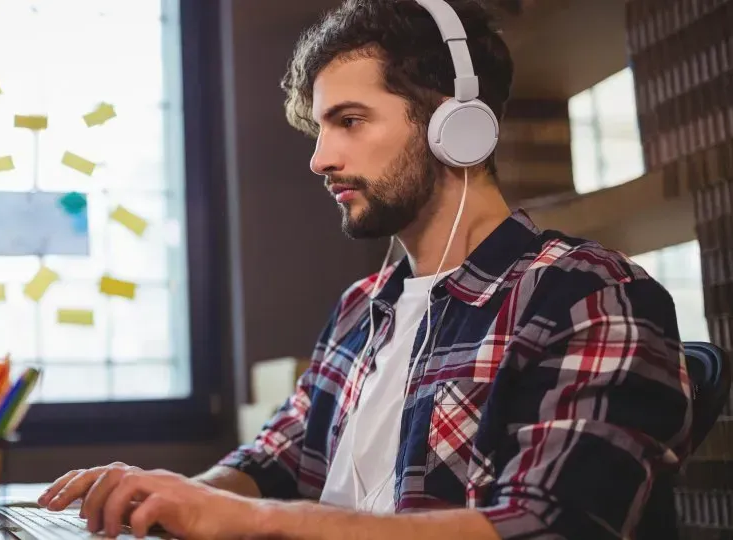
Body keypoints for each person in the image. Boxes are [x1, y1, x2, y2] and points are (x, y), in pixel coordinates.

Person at [38, 0, 694, 538]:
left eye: (349, 121)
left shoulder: (587, 292)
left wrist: (252, 521)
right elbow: (275, 460)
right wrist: (167, 499)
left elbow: (547, 525)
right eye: (320, 131)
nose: (320, 159)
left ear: (455, 125)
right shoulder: (364, 305)